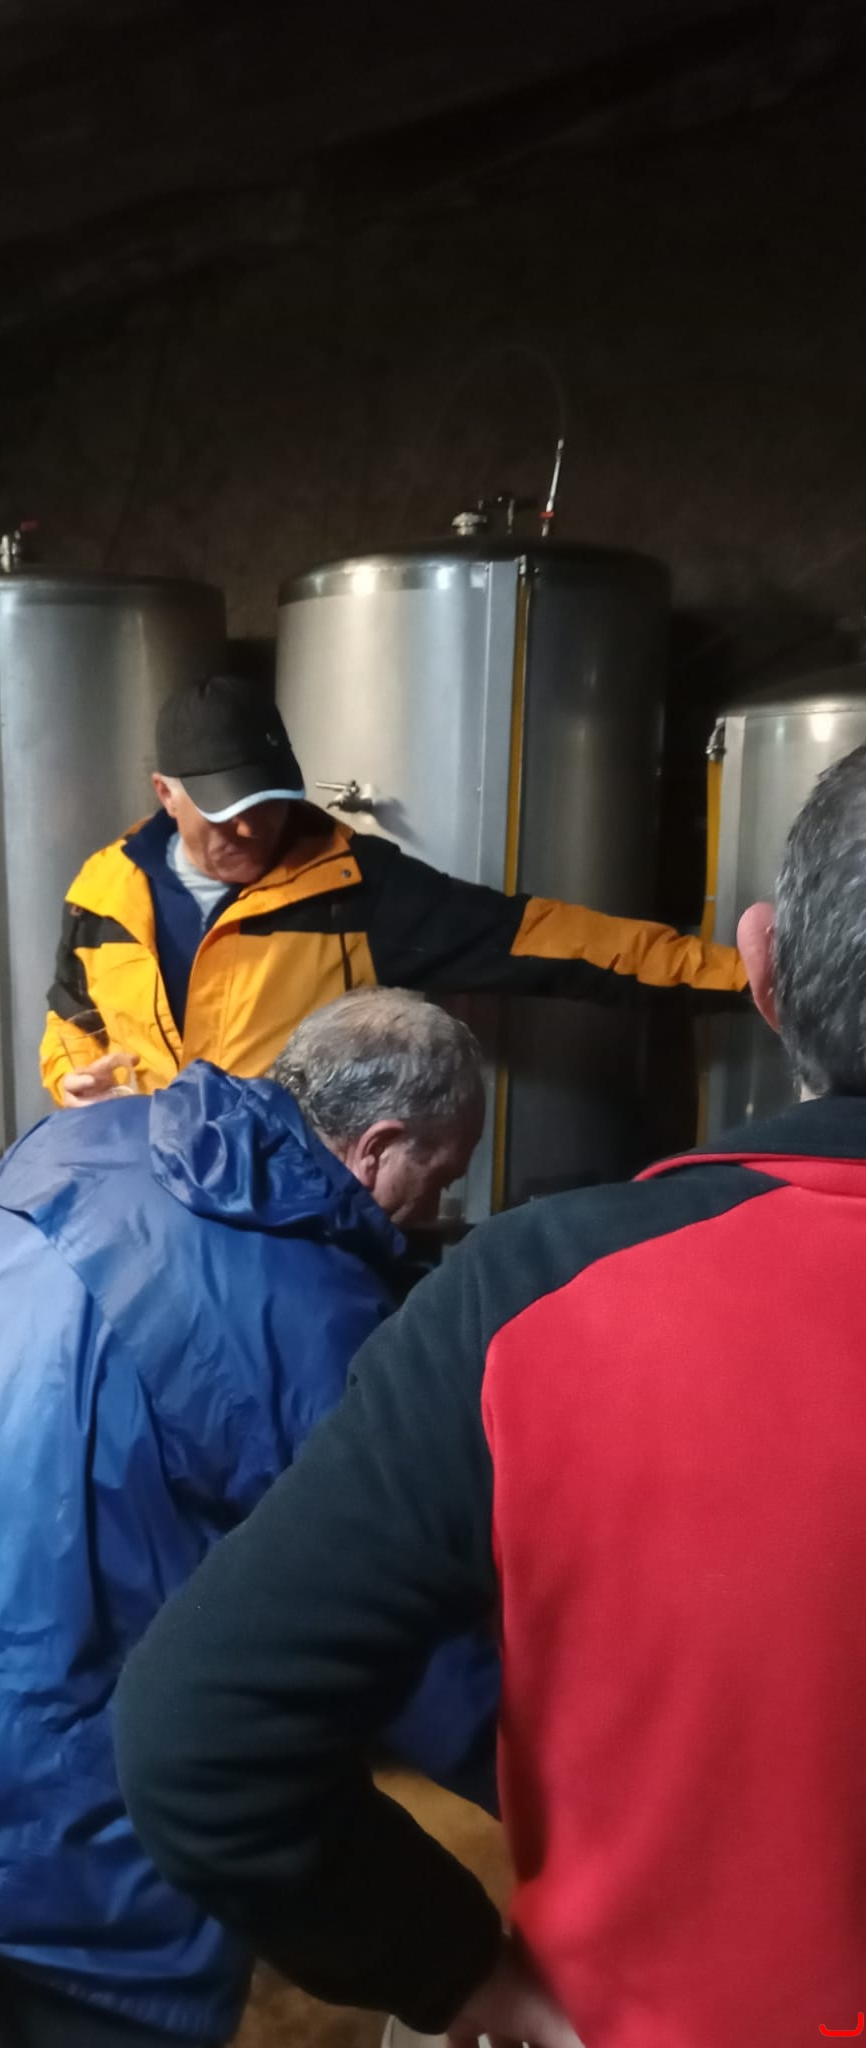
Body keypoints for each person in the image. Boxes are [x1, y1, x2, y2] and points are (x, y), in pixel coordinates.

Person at [112, 741, 866, 2048]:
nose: (445, 1204)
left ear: (766, 965)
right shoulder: (118, 912)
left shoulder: (533, 1297)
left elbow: (209, 1727)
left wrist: (453, 1968)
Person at [0, 989, 486, 2048]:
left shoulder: (83, 1136)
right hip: (39, 1744)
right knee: (82, 1984)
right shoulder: (314, 1319)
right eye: (439, 1174)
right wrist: (562, 1781)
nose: (434, 1204)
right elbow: (403, 1636)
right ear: (377, 1146)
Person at [42, 672, 747, 1106]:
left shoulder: (355, 889)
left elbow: (557, 941)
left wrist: (745, 977)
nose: (252, 830)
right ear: (166, 794)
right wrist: (72, 1078)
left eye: (269, 804)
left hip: (286, 1220)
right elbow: (73, 1017)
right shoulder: (106, 890)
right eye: (226, 813)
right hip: (140, 1198)